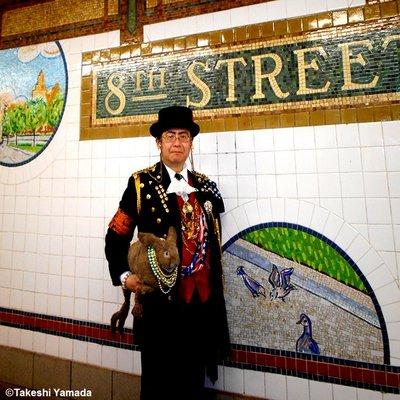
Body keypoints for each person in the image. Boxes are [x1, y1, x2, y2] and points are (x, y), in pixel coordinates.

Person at [105, 105, 230, 400]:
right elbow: (115, 236)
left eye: (183, 136)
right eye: (170, 135)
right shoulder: (140, 185)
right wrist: (124, 276)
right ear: (159, 142)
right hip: (160, 309)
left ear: (191, 142)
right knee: (158, 386)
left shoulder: (206, 186)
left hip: (200, 306)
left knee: (192, 384)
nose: (177, 142)